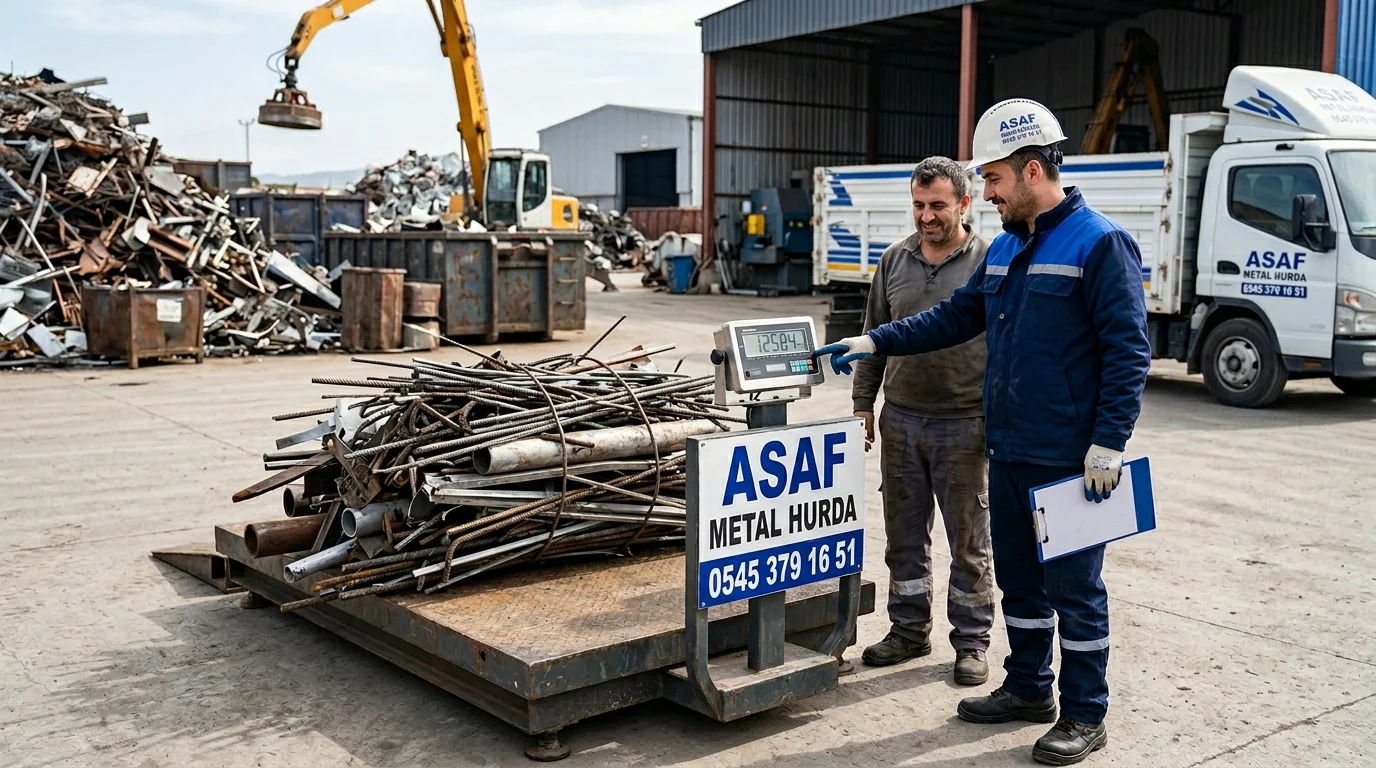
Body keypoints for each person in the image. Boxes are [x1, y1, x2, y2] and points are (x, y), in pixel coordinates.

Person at [813, 98, 1151, 766]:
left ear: (1030, 170)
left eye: (992, 180)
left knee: (1076, 594)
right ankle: (1029, 688)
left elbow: (1128, 351)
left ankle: (1086, 714)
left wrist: (1110, 440)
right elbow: (953, 318)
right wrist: (875, 338)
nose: (986, 194)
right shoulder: (1009, 250)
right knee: (1022, 585)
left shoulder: (1099, 242)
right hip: (1009, 450)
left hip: (1074, 463)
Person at [850, 156, 996, 687]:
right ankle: (909, 630)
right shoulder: (893, 260)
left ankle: (972, 642)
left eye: (937, 205)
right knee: (904, 536)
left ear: (964, 202)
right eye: (918, 205)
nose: (926, 216)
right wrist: (864, 403)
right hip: (902, 420)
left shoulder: (989, 259)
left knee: (969, 540)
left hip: (965, 423)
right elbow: (873, 336)